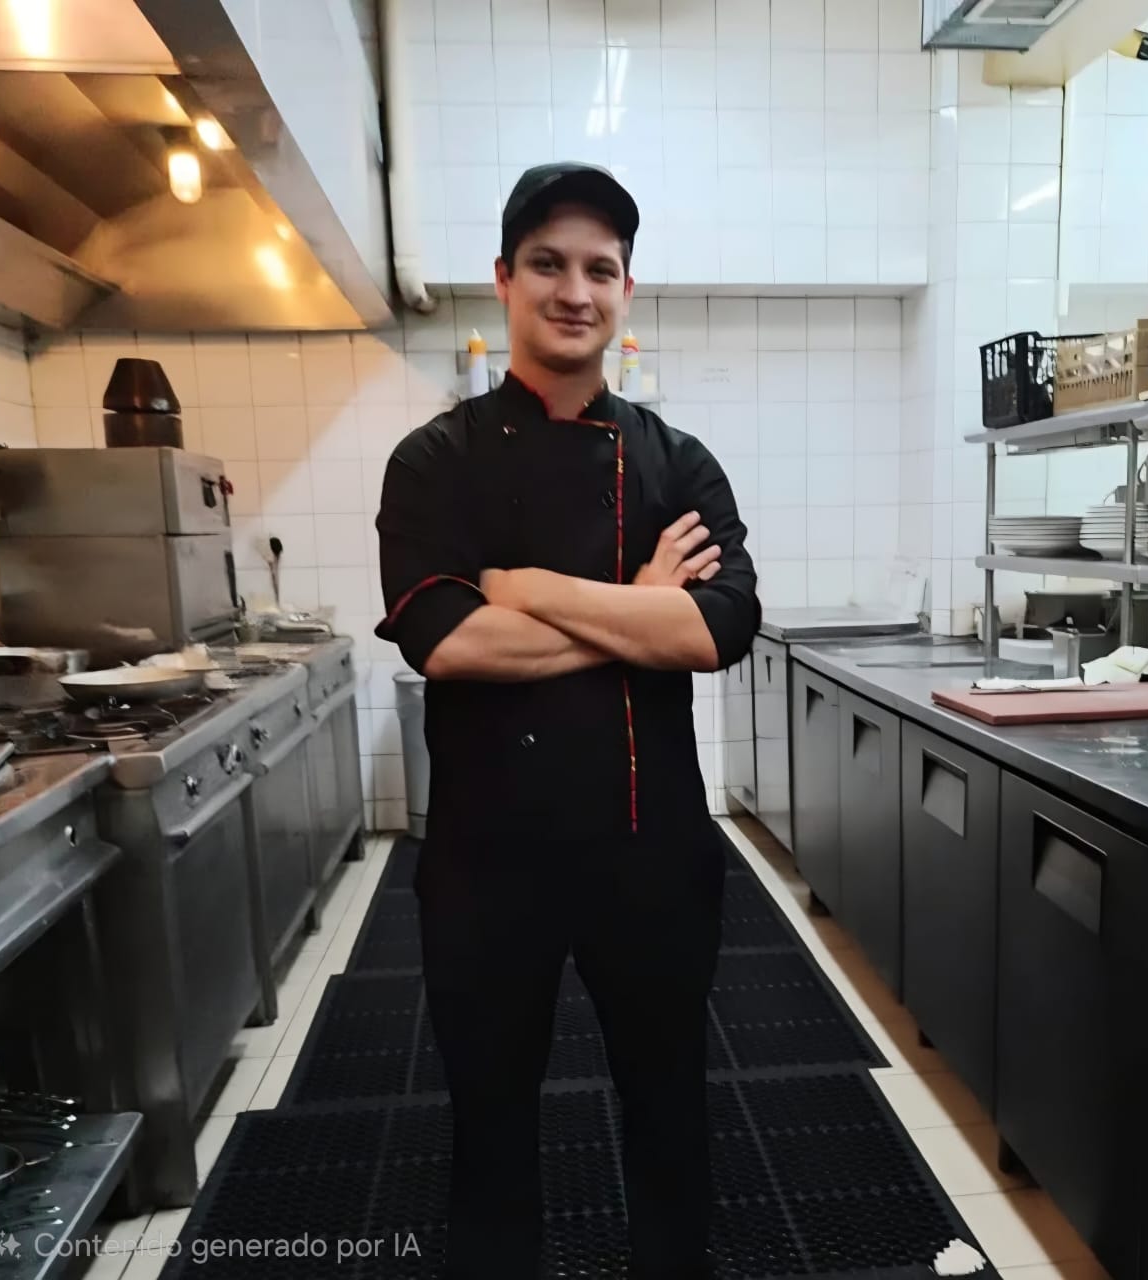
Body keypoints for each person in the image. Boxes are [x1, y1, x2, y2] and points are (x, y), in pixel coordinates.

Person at [374, 162, 761, 1280]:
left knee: (669, 1106)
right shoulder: (434, 461)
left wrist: (532, 589)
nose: (574, 290)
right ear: (503, 279)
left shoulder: (676, 462)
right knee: (489, 1119)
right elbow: (449, 641)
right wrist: (639, 605)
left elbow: (717, 628)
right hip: (487, 864)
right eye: (548, 263)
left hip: (652, 852)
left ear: (627, 290)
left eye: (600, 268)